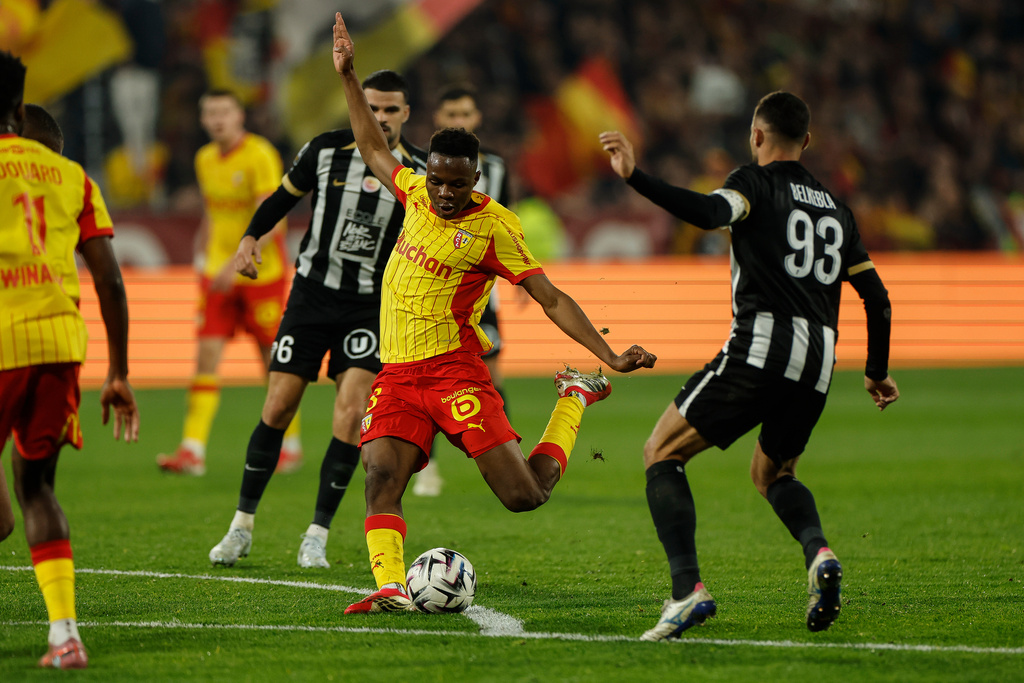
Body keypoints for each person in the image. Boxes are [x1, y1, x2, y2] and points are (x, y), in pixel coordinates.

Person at [331, 11, 657, 614]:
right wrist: (348, 76)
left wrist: (608, 355)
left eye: (456, 184)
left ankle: (575, 396)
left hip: (455, 372)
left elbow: (550, 296)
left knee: (524, 496)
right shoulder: (413, 191)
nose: (444, 193)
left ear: (475, 178)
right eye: (437, 181)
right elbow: (372, 145)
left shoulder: (495, 228)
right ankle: (389, 586)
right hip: (399, 374)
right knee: (380, 478)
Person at [599, 91, 900, 641]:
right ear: (807, 141)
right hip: (818, 364)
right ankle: (820, 552)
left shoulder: (753, 183)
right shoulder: (837, 207)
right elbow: (877, 298)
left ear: (757, 136)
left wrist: (635, 175)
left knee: (660, 452)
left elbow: (712, 213)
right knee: (773, 473)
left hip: (761, 347)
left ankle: (687, 591)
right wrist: (876, 371)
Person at [207, 69, 429, 569]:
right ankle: (241, 525)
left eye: (391, 109)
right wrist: (249, 239)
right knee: (279, 406)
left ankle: (316, 535)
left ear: (406, 114)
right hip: (311, 296)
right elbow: (281, 199)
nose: (381, 118)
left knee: (350, 415)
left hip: (370, 306)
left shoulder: (413, 173)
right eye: (372, 107)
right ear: (357, 105)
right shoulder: (325, 151)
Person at [0, 56, 140, 669]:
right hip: (59, 343)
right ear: (17, 108)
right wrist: (119, 371)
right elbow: (110, 280)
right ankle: (64, 636)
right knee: (37, 487)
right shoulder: (72, 177)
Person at [156, 90, 301, 476]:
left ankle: (289, 445)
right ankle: (192, 450)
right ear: (203, 120)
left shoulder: (260, 155)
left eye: (224, 111)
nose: (217, 118)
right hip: (217, 275)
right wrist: (202, 252)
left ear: (240, 116)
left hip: (261, 275)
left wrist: (239, 258)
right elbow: (212, 213)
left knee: (273, 362)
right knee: (205, 358)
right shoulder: (204, 159)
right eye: (210, 112)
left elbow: (274, 218)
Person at [412, 85, 513, 498]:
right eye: (450, 111)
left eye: (465, 112)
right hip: (432, 286)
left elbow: (505, 222)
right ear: (437, 117)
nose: (458, 118)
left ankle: (502, 455)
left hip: (480, 288)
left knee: (493, 372)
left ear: (478, 119)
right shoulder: (421, 168)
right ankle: (427, 467)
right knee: (426, 375)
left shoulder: (498, 168)